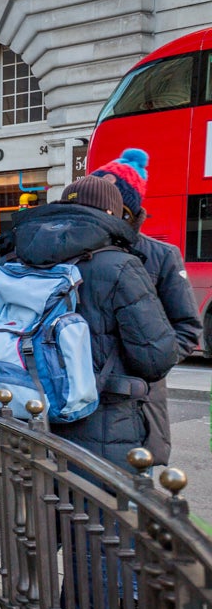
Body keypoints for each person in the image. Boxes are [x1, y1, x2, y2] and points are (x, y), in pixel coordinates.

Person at [0, 176, 178, 468]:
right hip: (102, 421)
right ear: (110, 214)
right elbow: (155, 358)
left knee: (40, 507)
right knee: (99, 509)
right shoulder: (120, 265)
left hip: (24, 408)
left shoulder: (12, 259)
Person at [89, 149, 203, 464]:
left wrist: (149, 358)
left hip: (138, 402)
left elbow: (187, 327)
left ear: (129, 210)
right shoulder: (82, 249)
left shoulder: (161, 256)